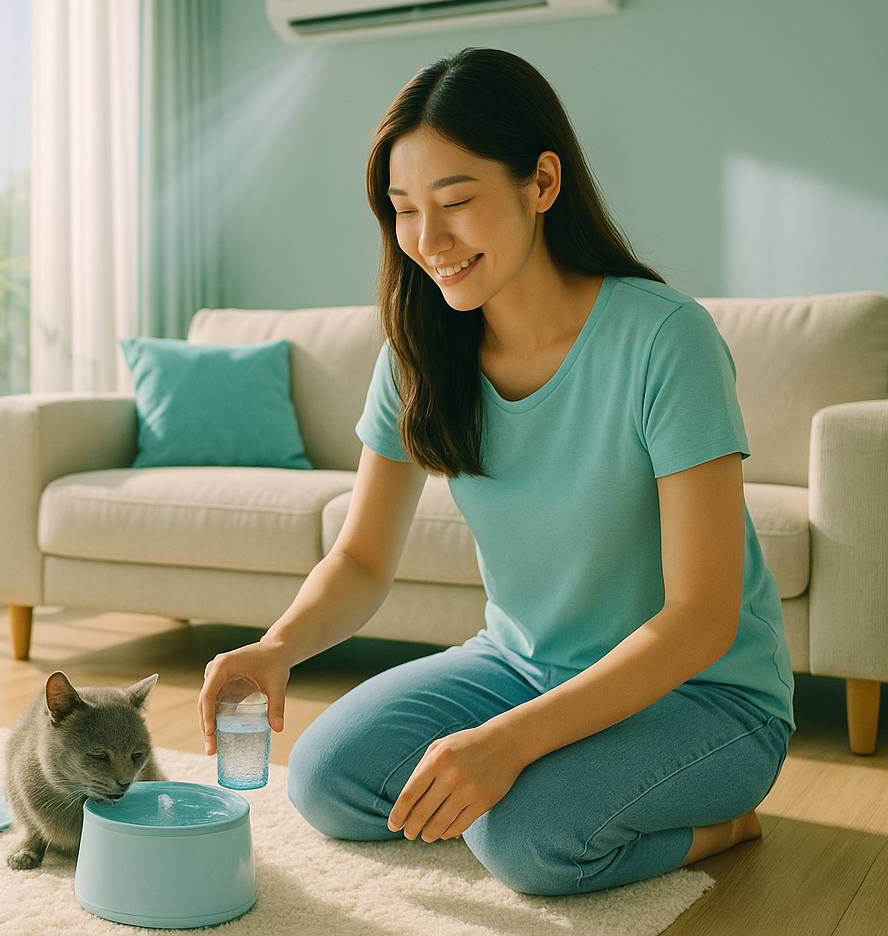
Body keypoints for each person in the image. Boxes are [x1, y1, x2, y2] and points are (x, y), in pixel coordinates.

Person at [196, 48, 793, 896]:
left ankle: (723, 822)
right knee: (323, 778)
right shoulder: (418, 353)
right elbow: (363, 560)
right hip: (520, 666)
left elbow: (700, 619)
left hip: (705, 696)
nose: (428, 242)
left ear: (542, 183)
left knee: (525, 838)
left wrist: (510, 744)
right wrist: (277, 646)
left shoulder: (666, 340)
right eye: (404, 210)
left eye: (457, 202)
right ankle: (546, 774)